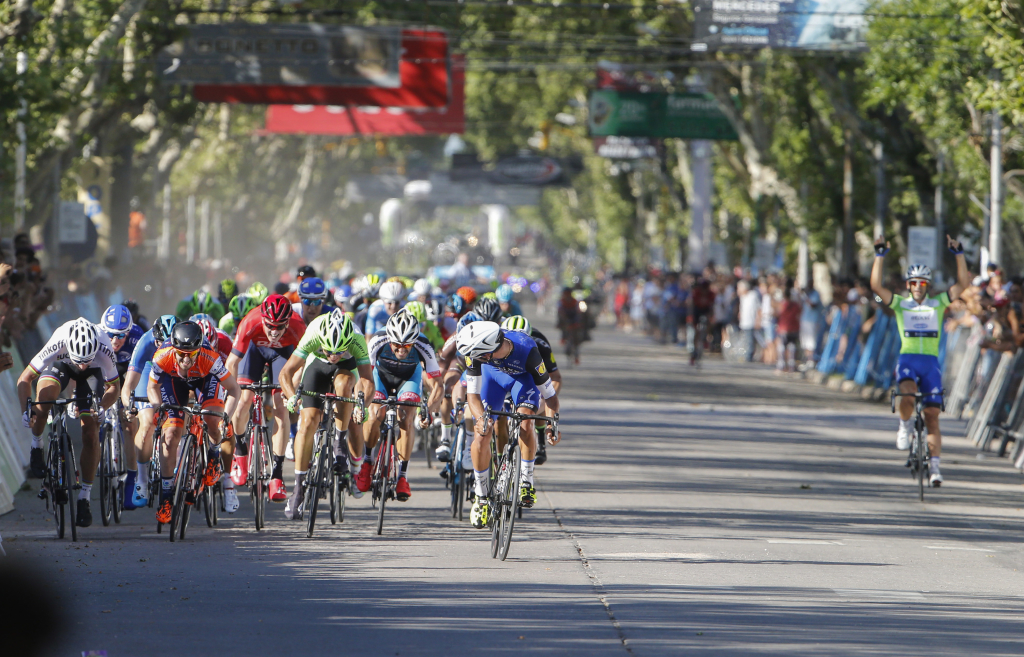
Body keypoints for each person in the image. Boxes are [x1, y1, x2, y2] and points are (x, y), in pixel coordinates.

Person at [870, 234, 972, 487]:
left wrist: (959, 254)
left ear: (927, 285)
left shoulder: (938, 303)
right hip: (908, 359)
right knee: (906, 395)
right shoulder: (900, 304)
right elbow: (876, 288)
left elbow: (963, 283)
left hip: (930, 363)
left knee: (932, 416)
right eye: (914, 282)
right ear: (908, 285)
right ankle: (904, 425)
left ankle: (935, 469)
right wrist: (879, 256)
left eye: (922, 283)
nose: (918, 286)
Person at [456, 321, 560, 529]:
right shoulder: (475, 354)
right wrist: (481, 419)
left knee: (525, 422)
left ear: (487, 351)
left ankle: (526, 481)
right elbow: (472, 396)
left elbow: (550, 397)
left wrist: (552, 424)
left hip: (522, 380)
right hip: (492, 379)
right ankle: (481, 497)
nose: (472, 358)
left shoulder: (528, 351)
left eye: (477, 355)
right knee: (482, 434)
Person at [18, 318, 121, 527]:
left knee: (91, 431)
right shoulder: (59, 340)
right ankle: (37, 445)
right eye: (79, 360)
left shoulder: (103, 346)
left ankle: (84, 497)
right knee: (44, 398)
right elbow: (25, 378)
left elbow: (114, 387)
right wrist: (26, 410)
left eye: (87, 360)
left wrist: (102, 407)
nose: (82, 365)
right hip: (61, 366)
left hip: (92, 376)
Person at [279, 310, 374, 519]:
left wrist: (363, 405)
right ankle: (298, 488)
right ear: (321, 342)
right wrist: (292, 396)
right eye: (329, 351)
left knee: (344, 384)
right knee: (308, 422)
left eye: (339, 351)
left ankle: (340, 441)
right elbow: (286, 372)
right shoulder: (313, 333)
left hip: (346, 369)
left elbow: (367, 380)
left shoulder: (356, 338)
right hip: (317, 365)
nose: (333, 356)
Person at [148, 322, 241, 524]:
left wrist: (226, 416)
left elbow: (234, 390)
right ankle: (166, 496)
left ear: (199, 349)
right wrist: (158, 408)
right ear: (173, 349)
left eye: (191, 354)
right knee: (171, 434)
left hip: (205, 379)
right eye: (181, 354)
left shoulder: (210, 358)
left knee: (212, 419)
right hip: (173, 381)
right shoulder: (162, 356)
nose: (185, 359)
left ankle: (214, 456)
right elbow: (152, 387)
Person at [227, 294, 306, 502]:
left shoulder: (298, 326)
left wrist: (290, 393)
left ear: (288, 322)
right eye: (270, 326)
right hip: (255, 351)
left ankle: (277, 475)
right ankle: (240, 449)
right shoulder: (250, 321)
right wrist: (233, 392)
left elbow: (301, 366)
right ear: (262, 319)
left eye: (280, 327)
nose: (274, 332)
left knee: (281, 407)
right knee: (243, 401)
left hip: (283, 355)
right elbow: (232, 363)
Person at [361, 310, 443, 502]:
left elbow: (438, 385)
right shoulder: (377, 339)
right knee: (374, 414)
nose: (401, 349)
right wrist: (361, 404)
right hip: (380, 377)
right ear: (389, 339)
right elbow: (364, 377)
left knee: (405, 418)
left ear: (414, 341)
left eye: (407, 345)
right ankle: (367, 462)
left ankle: (402, 477)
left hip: (409, 379)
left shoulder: (424, 345)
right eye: (396, 344)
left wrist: (428, 410)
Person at [121, 314, 177, 508]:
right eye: (160, 343)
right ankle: (142, 480)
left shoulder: (183, 343)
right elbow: (128, 386)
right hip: (149, 372)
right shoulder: (145, 342)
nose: (164, 348)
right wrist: (129, 406)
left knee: (178, 420)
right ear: (155, 338)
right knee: (147, 423)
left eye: (169, 344)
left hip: (173, 374)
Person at [99, 304, 146, 509]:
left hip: (128, 371)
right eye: (111, 335)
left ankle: (132, 480)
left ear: (128, 332)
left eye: (121, 335)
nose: (115, 340)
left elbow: (142, 373)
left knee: (129, 424)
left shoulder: (137, 337)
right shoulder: (97, 336)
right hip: (104, 371)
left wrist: (132, 403)